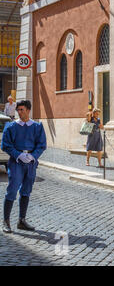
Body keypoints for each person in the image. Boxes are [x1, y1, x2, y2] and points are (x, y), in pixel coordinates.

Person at [1, 100, 47, 234]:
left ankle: (22, 220)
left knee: (26, 191)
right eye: (18, 110)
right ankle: (6, 221)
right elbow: (5, 145)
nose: (19, 112)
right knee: (12, 190)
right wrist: (18, 155)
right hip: (16, 163)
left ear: (28, 110)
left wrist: (33, 156)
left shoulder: (37, 127)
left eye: (21, 110)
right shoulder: (11, 127)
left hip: (31, 163)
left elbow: (42, 144)